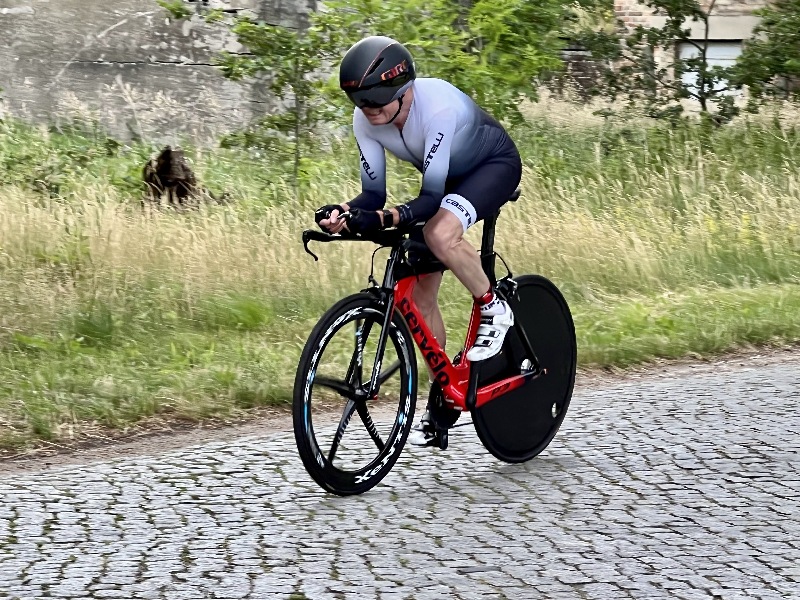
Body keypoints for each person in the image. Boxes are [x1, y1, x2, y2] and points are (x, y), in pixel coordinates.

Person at [314, 35, 522, 446]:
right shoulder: (365, 120)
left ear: (403, 91)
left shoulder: (437, 107)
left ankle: (493, 307)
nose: (369, 113)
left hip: (492, 167)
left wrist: (382, 218)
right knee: (421, 295)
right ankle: (446, 387)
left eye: (377, 104)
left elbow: (428, 201)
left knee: (439, 232)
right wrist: (343, 212)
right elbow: (373, 195)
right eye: (361, 104)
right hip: (446, 182)